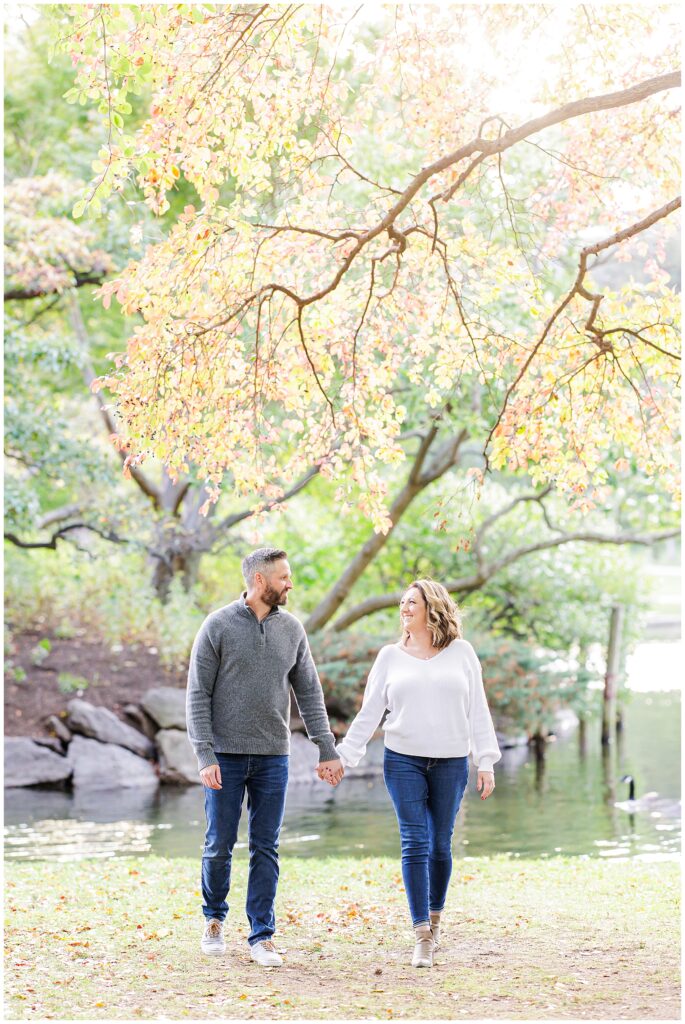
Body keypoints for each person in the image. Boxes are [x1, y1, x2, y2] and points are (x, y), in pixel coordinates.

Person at [319, 578, 500, 969]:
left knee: (440, 843)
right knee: (414, 840)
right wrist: (343, 757)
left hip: (451, 761)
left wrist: (485, 760)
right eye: (401, 602)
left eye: (411, 602)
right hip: (403, 760)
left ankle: (435, 918)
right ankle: (421, 934)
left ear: (432, 607)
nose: (404, 608)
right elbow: (369, 713)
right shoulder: (389, 657)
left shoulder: (462, 653)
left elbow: (478, 709)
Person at [186, 547, 344, 967]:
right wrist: (205, 754)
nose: (290, 583)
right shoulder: (217, 625)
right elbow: (197, 694)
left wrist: (326, 748)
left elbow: (309, 691)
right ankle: (214, 920)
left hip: (274, 755)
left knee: (266, 847)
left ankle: (262, 934)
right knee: (219, 844)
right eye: (283, 577)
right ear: (260, 580)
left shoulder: (292, 629)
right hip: (225, 755)